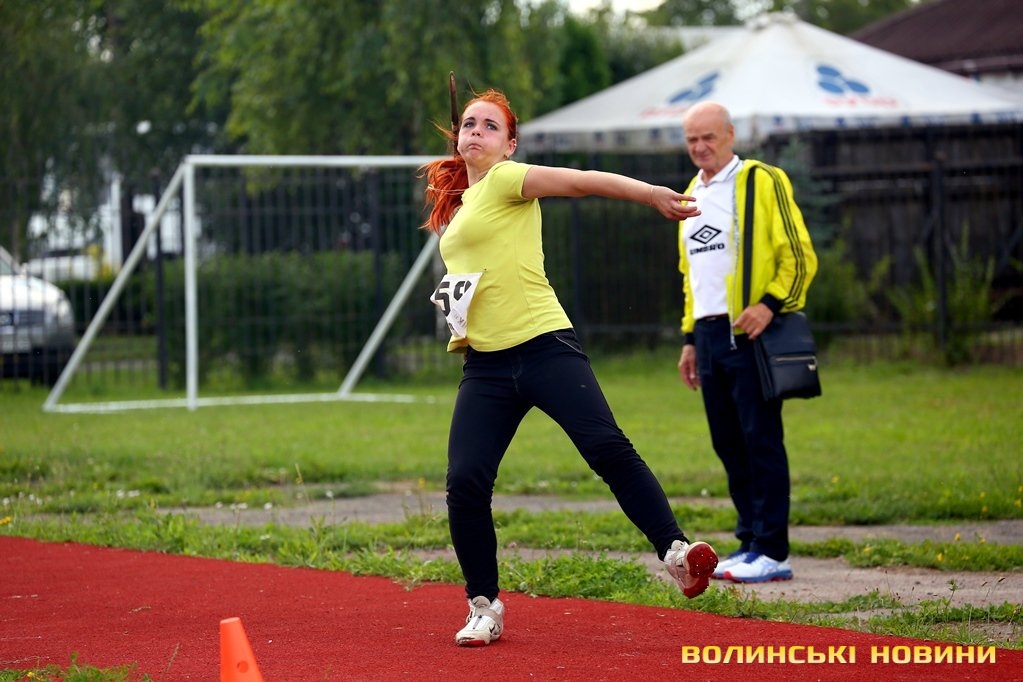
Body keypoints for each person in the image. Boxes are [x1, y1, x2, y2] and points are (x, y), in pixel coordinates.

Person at [419, 88, 719, 647]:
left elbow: (582, 181)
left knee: (607, 447)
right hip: (486, 366)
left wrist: (650, 193)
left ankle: (677, 552)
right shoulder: (461, 207)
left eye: (490, 126)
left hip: (544, 346)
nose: (476, 131)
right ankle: (483, 606)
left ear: (511, 145)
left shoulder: (509, 180)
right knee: (465, 482)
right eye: (469, 124)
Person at [676, 101, 817, 584]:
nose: (700, 147)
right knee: (728, 441)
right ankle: (749, 541)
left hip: (750, 330)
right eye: (692, 139)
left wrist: (769, 305)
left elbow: (799, 255)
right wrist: (690, 338)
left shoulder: (761, 180)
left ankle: (772, 549)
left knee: (761, 438)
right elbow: (691, 276)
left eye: (708, 137)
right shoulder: (690, 193)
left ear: (730, 135)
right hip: (709, 334)